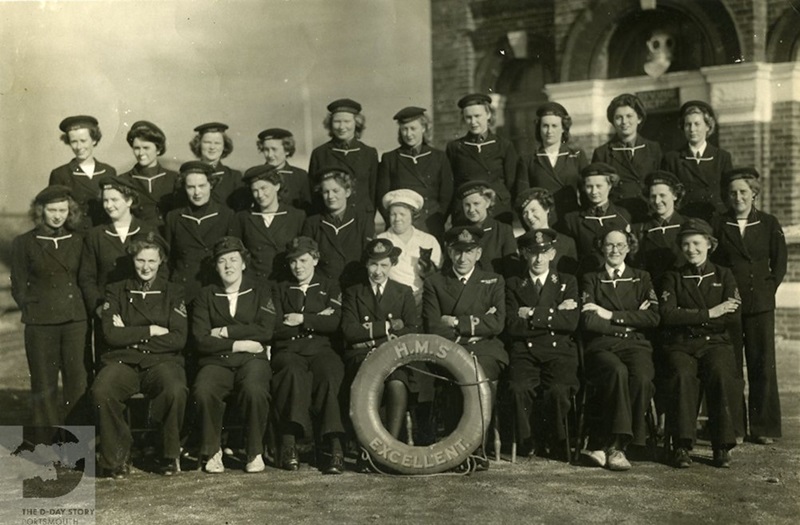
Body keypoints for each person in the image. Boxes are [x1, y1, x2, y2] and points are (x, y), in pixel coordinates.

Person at [91, 232, 188, 478]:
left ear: (161, 261)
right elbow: (111, 335)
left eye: (151, 261)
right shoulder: (115, 291)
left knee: (174, 389)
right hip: (123, 362)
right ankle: (117, 457)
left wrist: (131, 335)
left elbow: (178, 337)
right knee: (102, 390)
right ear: (133, 260)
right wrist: (152, 330)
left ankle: (168, 454)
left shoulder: (173, 292)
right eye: (140, 261)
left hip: (161, 362)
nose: (145, 267)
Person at [712, 167, 787, 444]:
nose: (738, 197)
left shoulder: (768, 223)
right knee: (730, 364)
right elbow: (716, 263)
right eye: (732, 193)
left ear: (754, 193)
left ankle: (763, 426)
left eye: (743, 191)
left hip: (761, 303)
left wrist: (767, 289)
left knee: (762, 363)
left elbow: (779, 263)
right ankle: (734, 428)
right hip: (730, 303)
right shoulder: (720, 224)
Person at [660, 219, 743, 468]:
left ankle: (721, 446)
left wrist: (690, 315)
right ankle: (682, 446)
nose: (691, 249)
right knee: (682, 375)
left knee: (719, 373)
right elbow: (667, 314)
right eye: (685, 244)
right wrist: (709, 313)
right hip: (681, 344)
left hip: (715, 343)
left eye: (696, 243)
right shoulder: (672, 277)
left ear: (709, 244)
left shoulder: (724, 275)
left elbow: (732, 314)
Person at [422, 225, 507, 468]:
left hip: (486, 350)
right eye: (458, 251)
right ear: (449, 252)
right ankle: (455, 449)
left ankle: (478, 448)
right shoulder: (435, 282)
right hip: (450, 349)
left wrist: (457, 321)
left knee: (482, 377)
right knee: (452, 376)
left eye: (469, 252)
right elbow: (434, 326)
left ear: (478, 254)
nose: (462, 258)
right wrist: (476, 326)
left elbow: (498, 323)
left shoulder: (493, 280)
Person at [191, 237, 275, 474]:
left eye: (233, 260)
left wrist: (226, 332)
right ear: (216, 266)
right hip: (218, 361)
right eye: (222, 261)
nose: (228, 266)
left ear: (244, 263)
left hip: (252, 361)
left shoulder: (260, 290)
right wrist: (241, 344)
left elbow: (266, 329)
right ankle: (213, 450)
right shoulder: (205, 295)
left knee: (254, 390)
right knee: (204, 390)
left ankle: (254, 451)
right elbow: (201, 339)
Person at [580, 227, 659, 471]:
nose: (615, 250)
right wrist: (627, 323)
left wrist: (609, 314)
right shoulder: (591, 278)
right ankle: (616, 447)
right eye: (609, 245)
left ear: (629, 247)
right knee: (616, 372)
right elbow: (589, 321)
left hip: (636, 346)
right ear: (601, 247)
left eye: (620, 245)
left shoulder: (641, 278)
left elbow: (653, 318)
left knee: (643, 378)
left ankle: (609, 443)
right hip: (602, 346)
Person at [11, 186, 88, 433]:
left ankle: (77, 449)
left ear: (70, 211)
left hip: (74, 322)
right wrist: (36, 307)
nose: (57, 215)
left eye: (63, 210)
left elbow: (85, 278)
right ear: (40, 210)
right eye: (52, 210)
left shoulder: (78, 240)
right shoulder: (24, 243)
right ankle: (46, 448)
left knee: (77, 385)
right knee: (44, 387)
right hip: (40, 323)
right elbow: (18, 286)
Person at [271, 236, 346, 474]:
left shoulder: (329, 286)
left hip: (321, 349)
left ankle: (334, 446)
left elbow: (335, 322)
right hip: (289, 349)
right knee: (292, 374)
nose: (298, 267)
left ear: (314, 259)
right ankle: (289, 445)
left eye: (303, 260)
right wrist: (317, 319)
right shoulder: (280, 288)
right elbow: (274, 326)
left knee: (329, 374)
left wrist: (301, 318)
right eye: (293, 261)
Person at [505, 229, 580, 458]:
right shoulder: (513, 283)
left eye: (544, 252)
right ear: (524, 254)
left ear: (552, 253)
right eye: (532, 252)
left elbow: (571, 322)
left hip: (560, 351)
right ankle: (528, 441)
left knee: (558, 391)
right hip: (524, 351)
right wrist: (553, 313)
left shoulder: (567, 281)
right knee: (518, 388)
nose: (538, 259)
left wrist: (531, 314)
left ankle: (555, 441)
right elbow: (511, 325)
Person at [341, 239, 420, 441]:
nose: (378, 271)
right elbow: (349, 331)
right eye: (373, 264)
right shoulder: (353, 292)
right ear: (366, 264)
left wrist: (370, 340)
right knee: (370, 385)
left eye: (384, 265)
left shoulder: (403, 292)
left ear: (393, 264)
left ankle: (391, 445)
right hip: (361, 357)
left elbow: (412, 329)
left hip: (395, 356)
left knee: (397, 384)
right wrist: (387, 327)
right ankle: (368, 446)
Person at [79, 175, 155, 369]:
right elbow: (87, 277)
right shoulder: (95, 235)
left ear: (129, 201)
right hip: (108, 312)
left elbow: (159, 270)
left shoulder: (147, 230)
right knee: (109, 368)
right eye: (105, 200)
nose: (108, 205)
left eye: (114, 200)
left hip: (143, 311)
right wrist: (99, 308)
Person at [376, 106, 454, 239]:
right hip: (399, 227)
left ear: (423, 128)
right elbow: (382, 197)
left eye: (413, 128)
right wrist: (396, 221)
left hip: (430, 226)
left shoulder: (439, 157)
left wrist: (437, 221)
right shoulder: (390, 158)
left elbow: (446, 196)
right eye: (404, 129)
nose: (408, 134)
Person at [164, 161, 235, 303]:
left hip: (215, 288)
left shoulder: (226, 215)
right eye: (191, 187)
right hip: (182, 289)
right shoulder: (174, 217)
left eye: (202, 186)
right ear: (184, 187)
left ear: (211, 184)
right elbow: (167, 258)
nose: (197, 192)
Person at [446, 93, 519, 224]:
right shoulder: (455, 147)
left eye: (477, 116)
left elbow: (511, 183)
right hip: (468, 212)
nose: (473, 122)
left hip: (497, 211)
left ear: (489, 115)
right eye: (468, 117)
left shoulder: (503, 145)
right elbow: (451, 184)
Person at [515, 102, 587, 227]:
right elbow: (522, 199)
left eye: (554, 126)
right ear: (539, 128)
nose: (549, 131)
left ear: (563, 128)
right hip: (542, 224)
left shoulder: (577, 156)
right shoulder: (528, 159)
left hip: (571, 223)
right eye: (545, 126)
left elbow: (586, 194)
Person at [592, 94, 662, 223]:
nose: (624, 122)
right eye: (619, 117)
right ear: (612, 121)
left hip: (649, 215)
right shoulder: (603, 153)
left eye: (629, 116)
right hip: (618, 217)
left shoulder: (653, 148)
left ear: (639, 118)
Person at [302, 168, 374, 290]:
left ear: (347, 192)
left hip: (355, 286)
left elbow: (368, 258)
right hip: (324, 289)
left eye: (336, 191)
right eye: (326, 192)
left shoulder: (363, 220)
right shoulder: (312, 223)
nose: (330, 196)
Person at [232, 165, 305, 284]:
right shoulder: (243, 217)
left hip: (286, 283)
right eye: (255, 190)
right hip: (255, 283)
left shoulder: (296, 216)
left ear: (277, 186)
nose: (260, 195)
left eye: (264, 188)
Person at [662, 101, 733, 222]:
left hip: (715, 218)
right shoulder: (672, 158)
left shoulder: (721, 157)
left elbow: (728, 193)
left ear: (708, 126)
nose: (692, 129)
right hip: (685, 218)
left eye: (697, 124)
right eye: (687, 125)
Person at [308, 98, 379, 216]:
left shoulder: (369, 153)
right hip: (330, 218)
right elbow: (313, 192)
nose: (341, 127)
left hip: (361, 218)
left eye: (347, 121)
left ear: (356, 123)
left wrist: (369, 219)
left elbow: (373, 192)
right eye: (337, 121)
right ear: (330, 124)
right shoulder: (320, 153)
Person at [562, 163, 632, 275]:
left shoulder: (623, 215)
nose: (594, 192)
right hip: (586, 277)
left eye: (599, 186)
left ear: (610, 186)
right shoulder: (573, 219)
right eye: (589, 186)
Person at [377, 189, 442, 307]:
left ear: (412, 215)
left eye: (402, 214)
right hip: (391, 300)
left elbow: (436, 278)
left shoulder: (428, 240)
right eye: (393, 214)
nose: (397, 219)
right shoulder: (381, 241)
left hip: (424, 300)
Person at [49, 115, 117, 230]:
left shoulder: (108, 171)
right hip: (74, 236)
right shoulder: (60, 174)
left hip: (103, 234)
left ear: (94, 140)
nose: (79, 147)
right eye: (73, 142)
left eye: (83, 141)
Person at [119, 120, 179, 228]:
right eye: (137, 148)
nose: (141, 153)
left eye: (146, 148)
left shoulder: (174, 178)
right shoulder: (124, 180)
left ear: (158, 149)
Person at [634, 171, 688, 289]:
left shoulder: (688, 225)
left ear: (675, 195)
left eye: (662, 195)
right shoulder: (640, 229)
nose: (657, 201)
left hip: (683, 289)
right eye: (653, 196)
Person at [455, 180, 516, 277]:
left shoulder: (503, 231)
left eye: (476, 204)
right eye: (467, 205)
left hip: (496, 289)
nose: (471, 210)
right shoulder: (457, 232)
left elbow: (512, 271)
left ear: (487, 203)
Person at [514, 187, 578, 275]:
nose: (529, 216)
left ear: (547, 208)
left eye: (534, 210)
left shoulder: (566, 243)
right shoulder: (517, 244)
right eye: (525, 213)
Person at [189, 122, 247, 211]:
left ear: (224, 146)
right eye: (207, 142)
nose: (212, 147)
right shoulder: (188, 174)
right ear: (199, 144)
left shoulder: (234, 177)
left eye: (217, 143)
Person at [257, 128, 312, 214]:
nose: (270, 155)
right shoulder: (256, 175)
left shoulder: (300, 176)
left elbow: (308, 209)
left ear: (287, 150)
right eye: (266, 150)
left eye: (274, 149)